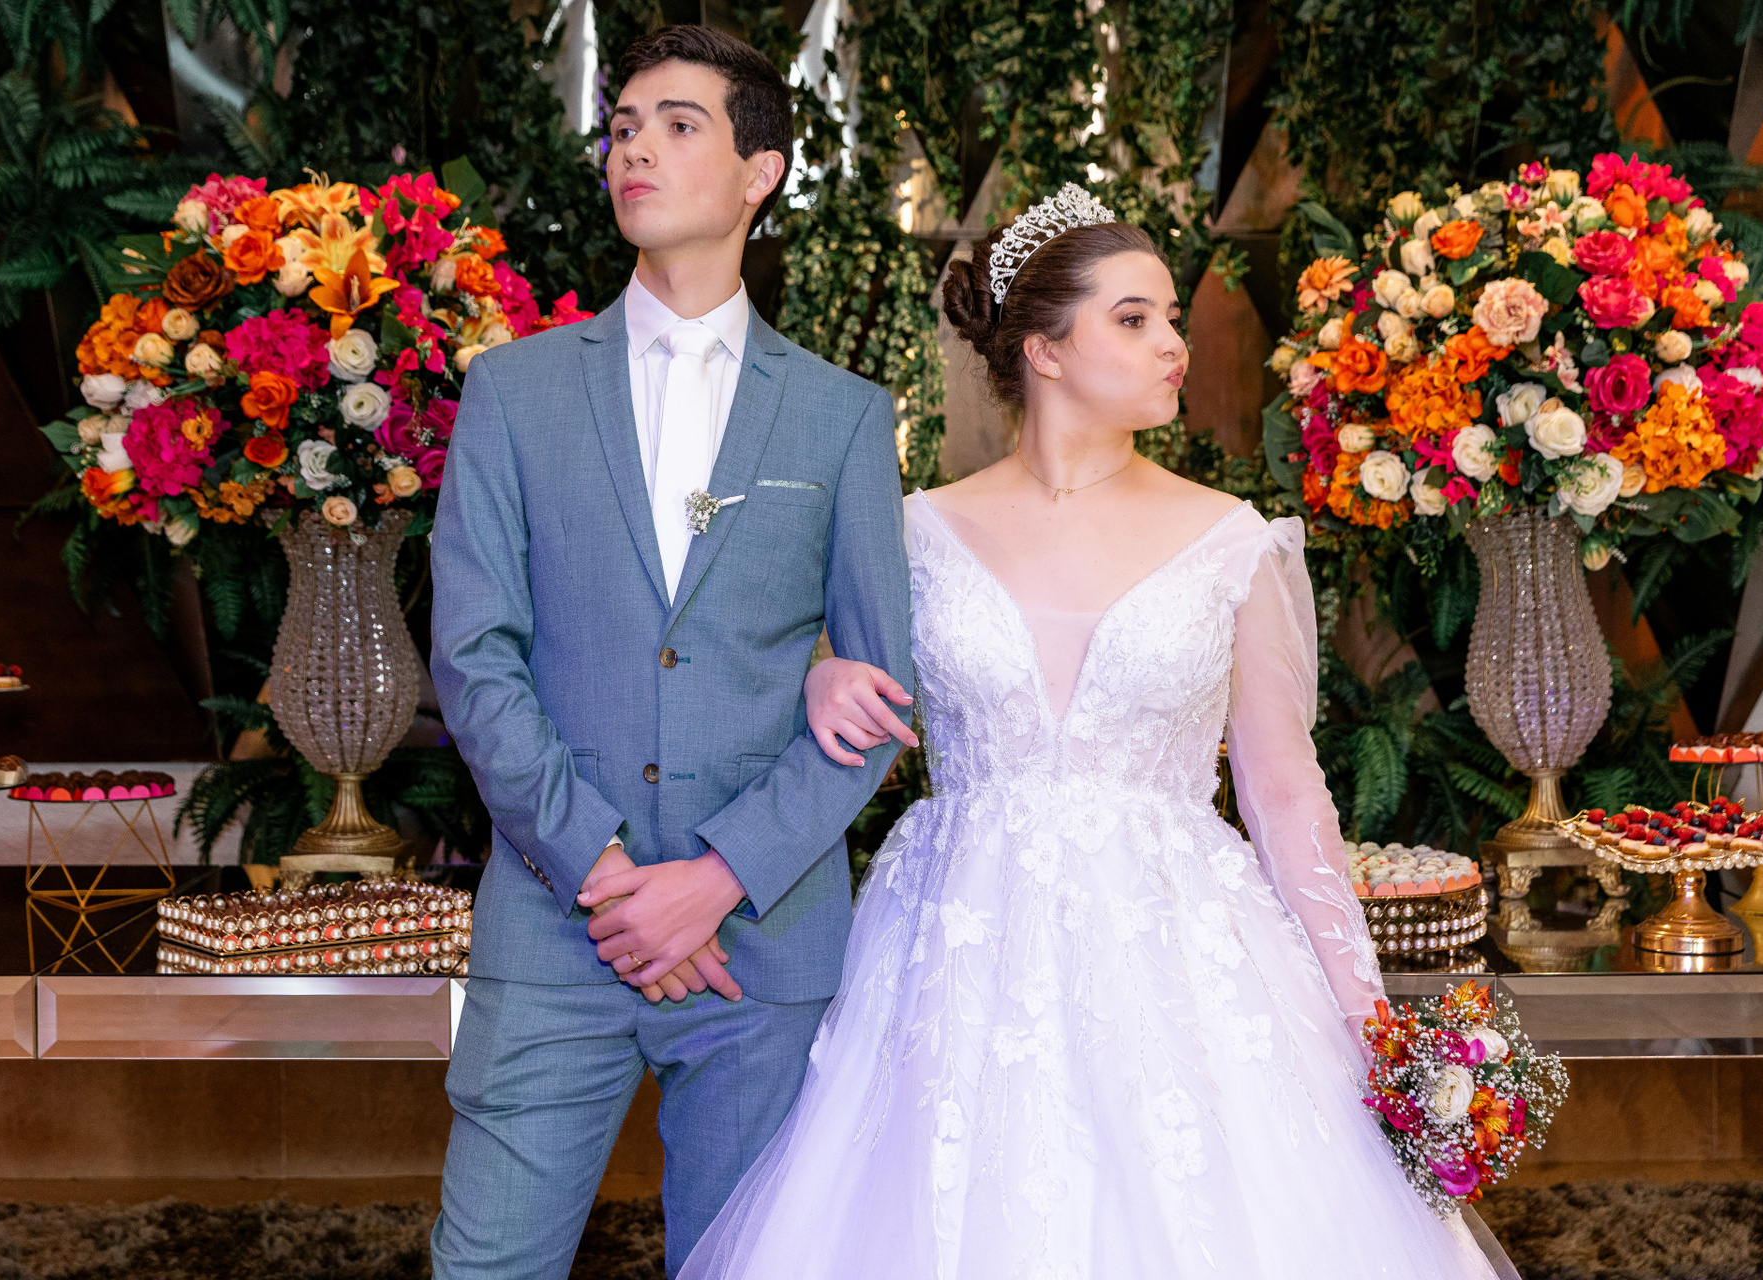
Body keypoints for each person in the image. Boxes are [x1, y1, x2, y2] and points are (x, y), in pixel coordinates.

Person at [680, 186, 1499, 1278]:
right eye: (1134, 318)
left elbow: (1285, 791)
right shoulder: (911, 533)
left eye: (1172, 318)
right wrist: (819, 675)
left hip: (1182, 965)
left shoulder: (1233, 541)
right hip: (955, 959)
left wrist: (1365, 1015)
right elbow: (788, 670)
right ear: (1044, 350)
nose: (1174, 345)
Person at [426, 24, 915, 1279]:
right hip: (553, 928)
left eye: (678, 124)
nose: (635, 147)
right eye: (623, 125)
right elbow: (475, 656)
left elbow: (879, 695)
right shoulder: (513, 391)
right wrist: (601, 872)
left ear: (760, 172)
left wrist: (717, 875)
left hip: (764, 943)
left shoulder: (844, 416)